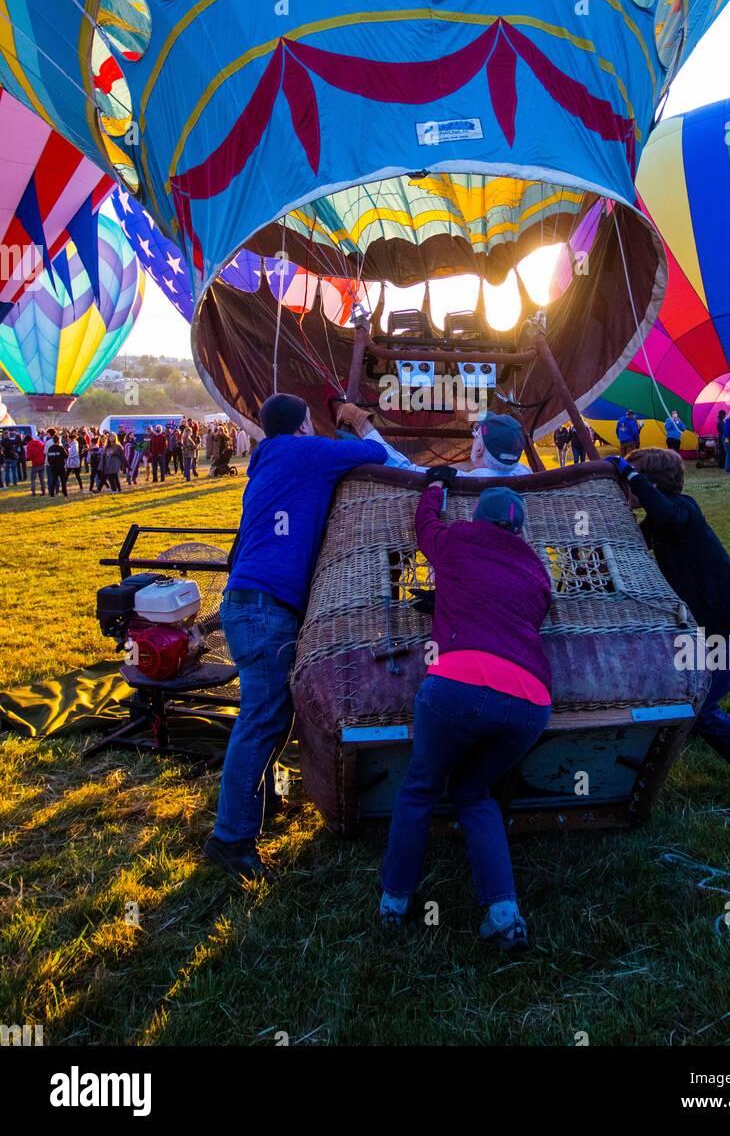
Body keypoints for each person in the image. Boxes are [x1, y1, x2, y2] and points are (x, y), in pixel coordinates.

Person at [203, 393, 387, 882]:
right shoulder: (300, 452)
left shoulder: (267, 461)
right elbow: (378, 456)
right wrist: (357, 422)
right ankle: (230, 839)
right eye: (313, 419)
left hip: (248, 604)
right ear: (304, 425)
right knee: (262, 720)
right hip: (266, 609)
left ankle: (254, 811)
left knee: (267, 716)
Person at [380, 479, 552, 952]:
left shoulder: (458, 539)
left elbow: (424, 526)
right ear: (520, 528)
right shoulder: (537, 569)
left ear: (479, 516)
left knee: (420, 788)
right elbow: (524, 614)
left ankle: (393, 903)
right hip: (531, 700)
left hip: (457, 685)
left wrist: (434, 487)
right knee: (475, 793)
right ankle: (504, 914)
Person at [608, 448, 730, 805]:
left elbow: (664, 512)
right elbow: (628, 547)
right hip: (710, 628)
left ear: (649, 483)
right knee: (685, 692)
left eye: (629, 483)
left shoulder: (684, 510)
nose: (626, 489)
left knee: (703, 708)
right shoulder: (657, 524)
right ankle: (693, 729)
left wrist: (629, 473)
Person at [336, 405, 532, 480]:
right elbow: (502, 433)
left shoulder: (457, 480)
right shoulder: (525, 475)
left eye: (476, 435)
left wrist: (360, 421)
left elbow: (402, 467)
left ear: (479, 449)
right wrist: (475, 419)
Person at [45, 429, 68, 497]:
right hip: (60, 467)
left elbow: (48, 458)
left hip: (53, 467)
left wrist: (51, 464)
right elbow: (66, 456)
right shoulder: (60, 448)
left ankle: (52, 494)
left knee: (53, 481)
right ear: (58, 441)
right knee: (63, 481)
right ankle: (65, 493)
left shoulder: (50, 448)